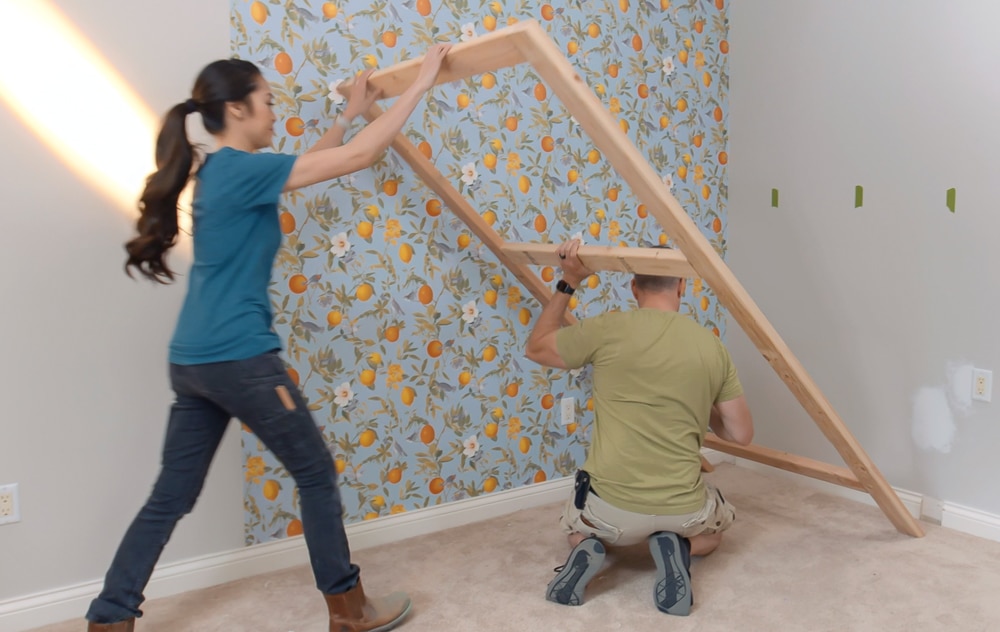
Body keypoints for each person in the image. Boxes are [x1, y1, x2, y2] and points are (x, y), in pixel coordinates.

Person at [85, 44, 452, 632]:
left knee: (170, 498)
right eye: (267, 101)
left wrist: (347, 113)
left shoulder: (222, 172)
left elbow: (307, 166)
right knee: (315, 472)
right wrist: (424, 81)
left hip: (193, 362)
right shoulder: (237, 170)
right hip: (241, 360)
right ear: (236, 109)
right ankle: (348, 608)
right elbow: (359, 156)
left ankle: (109, 617)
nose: (274, 113)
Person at [525, 239, 754, 616]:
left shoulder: (606, 329)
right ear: (682, 286)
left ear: (634, 288)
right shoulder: (711, 347)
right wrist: (701, 397)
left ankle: (590, 546)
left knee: (576, 531)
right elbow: (741, 434)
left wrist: (569, 280)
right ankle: (678, 547)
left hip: (610, 508)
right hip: (682, 507)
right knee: (714, 534)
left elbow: (537, 348)